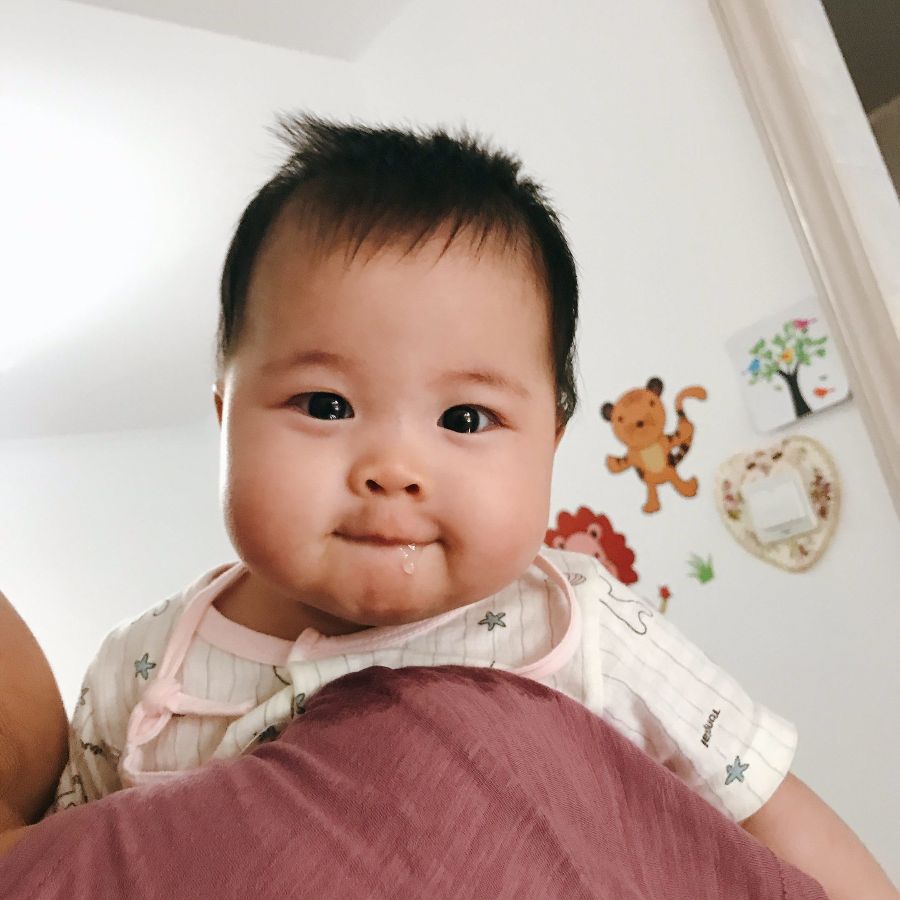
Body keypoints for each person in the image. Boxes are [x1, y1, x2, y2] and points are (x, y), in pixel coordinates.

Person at [42, 116, 894, 897]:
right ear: (226, 417)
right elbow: (71, 863)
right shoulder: (140, 669)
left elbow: (780, 820)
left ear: (550, 445)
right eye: (326, 405)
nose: (393, 469)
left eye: (464, 419)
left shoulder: (585, 629)